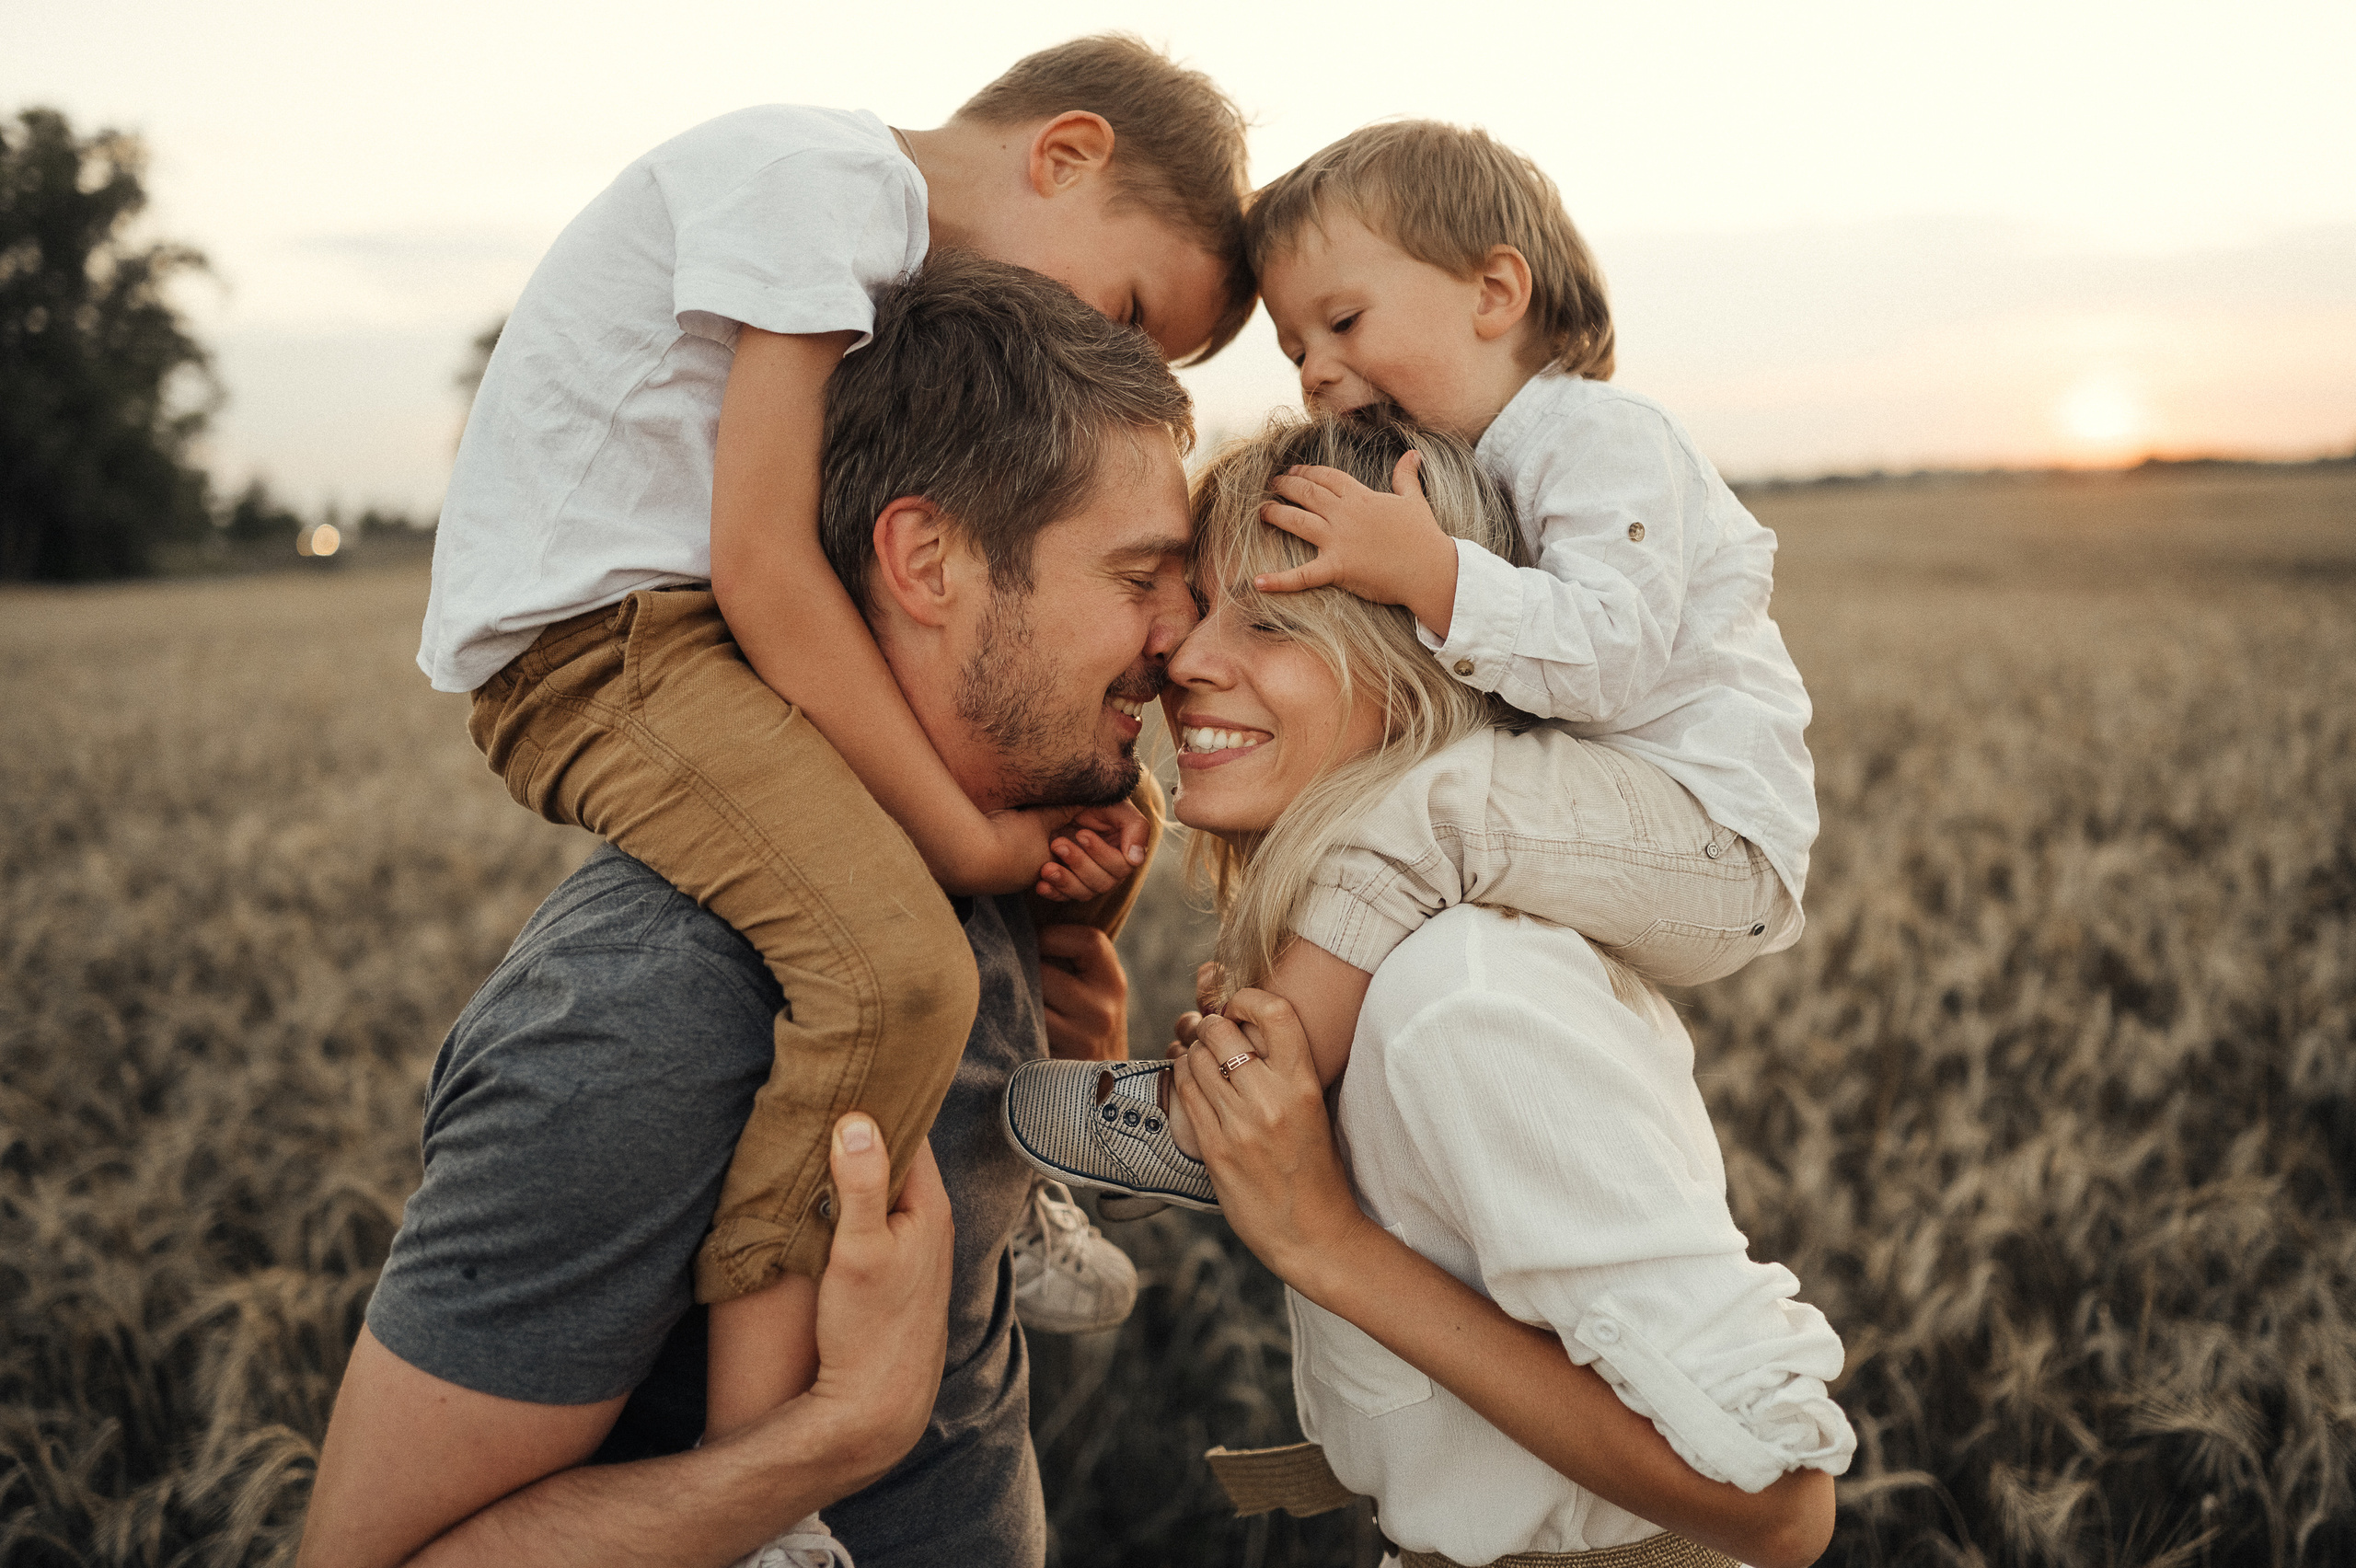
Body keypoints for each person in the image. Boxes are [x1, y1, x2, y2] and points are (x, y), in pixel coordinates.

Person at [414, 30, 1251, 1493]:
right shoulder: (825, 184)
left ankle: (1021, 1174)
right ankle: (766, 1452)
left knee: (1009, 871)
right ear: (1064, 155)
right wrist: (975, 847)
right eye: (1126, 308)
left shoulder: (868, 249)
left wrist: (1048, 892)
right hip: (604, 645)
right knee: (893, 969)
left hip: (676, 625)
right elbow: (761, 560)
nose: (1111, 358)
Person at [297, 253, 1199, 1568]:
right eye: (1139, 580)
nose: (1184, 637)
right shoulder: (651, 1007)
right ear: (928, 559)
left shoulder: (985, 861)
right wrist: (828, 1440)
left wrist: (1083, 955)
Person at [1071, 415, 1851, 1567]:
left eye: (1276, 622)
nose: (1187, 662)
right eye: (1200, 608)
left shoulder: (1459, 990)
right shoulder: (1376, 970)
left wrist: (1321, 1237)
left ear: (1425, 663)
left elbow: (1777, 1504)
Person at [1007, 120, 1816, 1207]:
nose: (1316, 371)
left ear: (1496, 291)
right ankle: (1255, 1055)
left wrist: (1430, 571)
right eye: (1295, 349)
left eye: (1343, 322)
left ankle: (1215, 1115)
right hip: (1631, 811)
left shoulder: (1602, 439)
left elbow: (1606, 660)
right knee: (1414, 814)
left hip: (1712, 832)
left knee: (1429, 807)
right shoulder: (1473, 463)